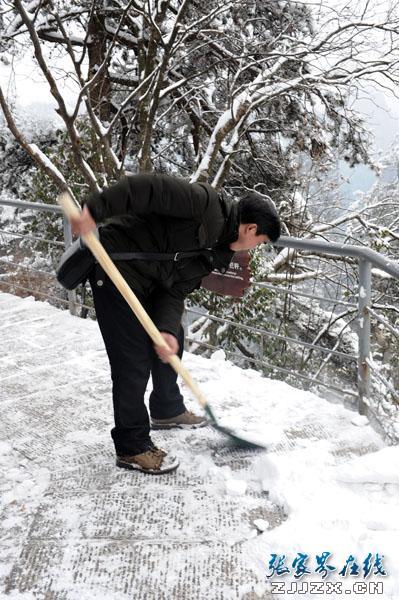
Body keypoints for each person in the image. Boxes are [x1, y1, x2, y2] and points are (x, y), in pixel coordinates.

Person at [70, 173, 281, 474]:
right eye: (258, 242)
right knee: (133, 361)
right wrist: (95, 209)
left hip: (149, 283)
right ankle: (132, 446)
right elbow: (148, 189)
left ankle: (166, 409)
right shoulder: (203, 205)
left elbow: (176, 290)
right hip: (114, 264)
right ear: (250, 228)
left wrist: (166, 331)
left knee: (174, 338)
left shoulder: (215, 253)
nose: (253, 249)